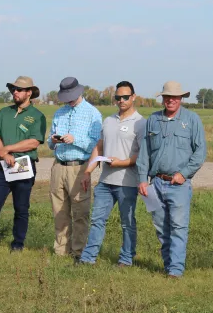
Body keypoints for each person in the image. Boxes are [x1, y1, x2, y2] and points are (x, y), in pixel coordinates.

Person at [137, 81, 206, 278]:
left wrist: (184, 174)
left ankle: (175, 270)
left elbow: (200, 152)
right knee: (161, 228)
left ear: (181, 98)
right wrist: (143, 179)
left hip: (179, 185)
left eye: (175, 97)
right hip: (156, 183)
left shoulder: (192, 120)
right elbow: (144, 152)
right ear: (163, 98)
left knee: (178, 227)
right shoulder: (153, 120)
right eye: (167, 97)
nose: (170, 100)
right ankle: (168, 265)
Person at [0, 77, 46, 251]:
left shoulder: (37, 116)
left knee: (21, 208)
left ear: (29, 92)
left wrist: (8, 149)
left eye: (19, 89)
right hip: (3, 166)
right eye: (14, 89)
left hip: (24, 165)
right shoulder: (4, 112)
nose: (15, 92)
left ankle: (17, 245)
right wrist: (3, 153)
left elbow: (34, 142)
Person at [79, 81, 145, 267]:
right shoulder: (108, 121)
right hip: (105, 181)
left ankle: (126, 259)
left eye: (125, 97)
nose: (121, 100)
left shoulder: (141, 123)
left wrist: (121, 163)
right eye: (118, 97)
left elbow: (143, 154)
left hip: (127, 182)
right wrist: (88, 171)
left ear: (133, 97)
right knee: (97, 220)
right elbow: (99, 148)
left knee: (127, 223)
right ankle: (88, 258)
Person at [48, 77, 102, 258]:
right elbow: (49, 142)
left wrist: (75, 139)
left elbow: (96, 144)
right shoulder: (59, 113)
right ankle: (61, 251)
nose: (68, 101)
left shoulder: (92, 113)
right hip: (58, 166)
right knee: (59, 211)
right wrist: (53, 140)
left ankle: (79, 252)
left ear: (79, 92)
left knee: (80, 212)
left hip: (78, 168)